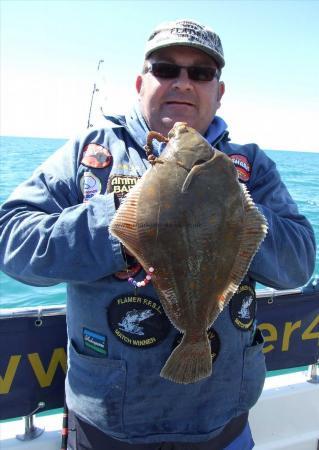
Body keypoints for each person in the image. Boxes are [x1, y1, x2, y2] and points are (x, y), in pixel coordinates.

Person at [0, 19, 316, 450]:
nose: (183, 83)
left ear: (218, 91)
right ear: (140, 82)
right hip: (107, 426)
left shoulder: (249, 166)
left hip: (224, 423)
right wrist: (127, 220)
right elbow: (13, 243)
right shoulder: (90, 154)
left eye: (201, 73)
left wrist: (229, 210)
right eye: (166, 69)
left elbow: (298, 263)